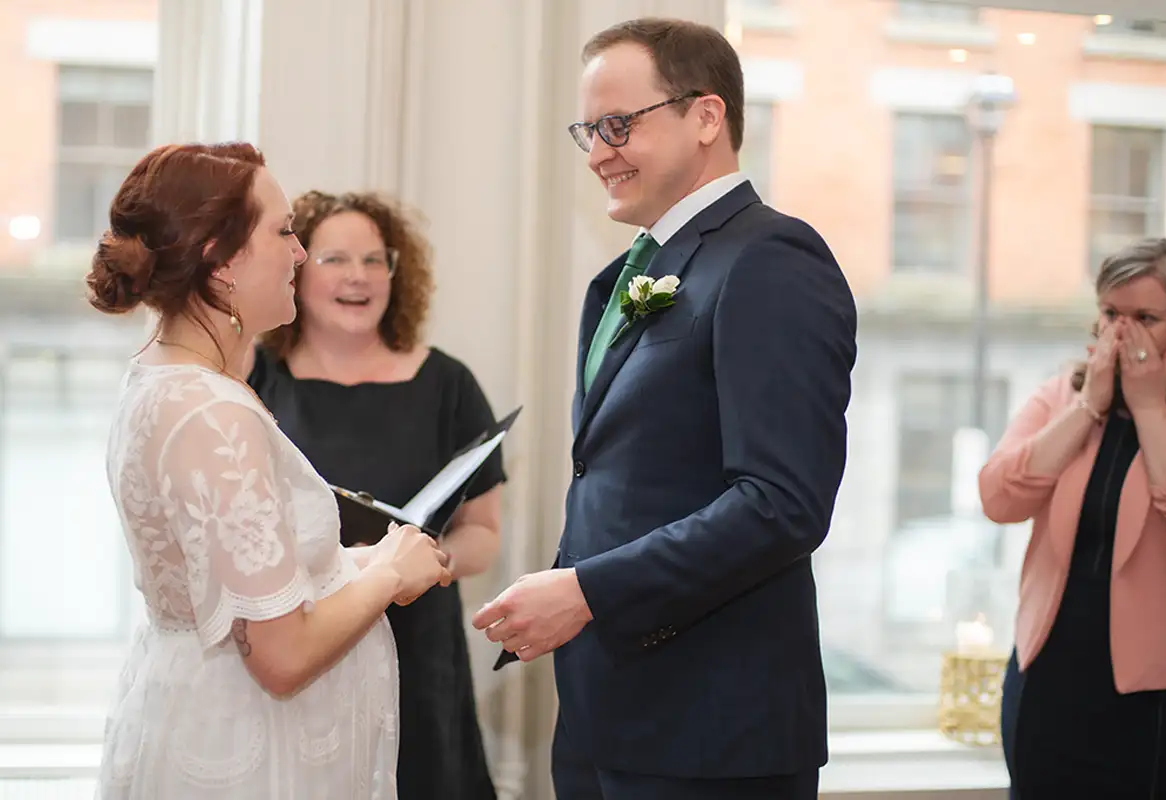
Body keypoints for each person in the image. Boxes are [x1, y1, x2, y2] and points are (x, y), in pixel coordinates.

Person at [472, 17, 857, 800]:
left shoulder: (770, 262)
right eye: (588, 129)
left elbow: (781, 504)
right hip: (605, 710)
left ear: (706, 117)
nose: (596, 153)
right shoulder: (619, 278)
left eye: (618, 125)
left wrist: (586, 592)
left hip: (712, 731)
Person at [85, 142, 452, 799]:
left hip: (204, 709)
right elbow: (280, 657)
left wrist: (365, 562)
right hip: (251, 751)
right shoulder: (211, 415)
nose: (301, 253)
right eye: (284, 232)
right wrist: (392, 574)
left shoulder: (166, 377)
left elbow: (245, 585)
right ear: (221, 262)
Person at [246, 189, 504, 800]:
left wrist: (425, 562)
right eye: (335, 259)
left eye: (374, 260)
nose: (358, 276)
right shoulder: (253, 379)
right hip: (298, 640)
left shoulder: (448, 383)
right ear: (297, 268)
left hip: (419, 650)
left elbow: (484, 534)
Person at [981, 237, 1166, 797]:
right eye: (1110, 314)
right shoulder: (1060, 396)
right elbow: (999, 498)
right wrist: (1087, 407)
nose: (1122, 334)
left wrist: (1150, 409)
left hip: (1160, 694)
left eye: (1146, 318)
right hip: (1048, 674)